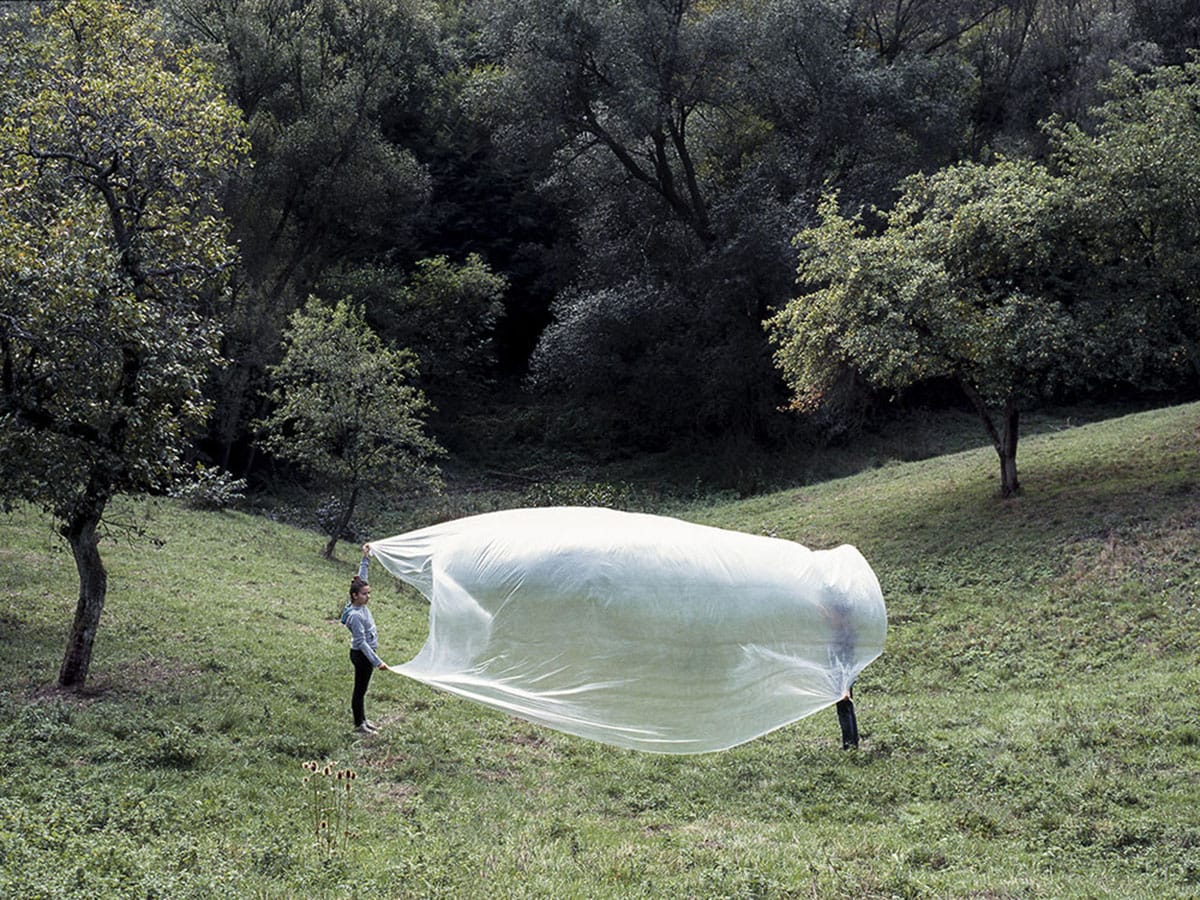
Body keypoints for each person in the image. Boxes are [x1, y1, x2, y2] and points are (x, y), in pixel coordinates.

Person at [343, 542, 389, 734]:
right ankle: (359, 725)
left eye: (369, 593)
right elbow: (361, 643)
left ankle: (363, 720)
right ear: (355, 596)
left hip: (366, 654)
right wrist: (377, 662)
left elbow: (362, 579)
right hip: (362, 656)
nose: (368, 597)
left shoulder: (359, 604)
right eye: (364, 594)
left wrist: (365, 557)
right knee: (360, 690)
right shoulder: (355, 615)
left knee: (363, 690)